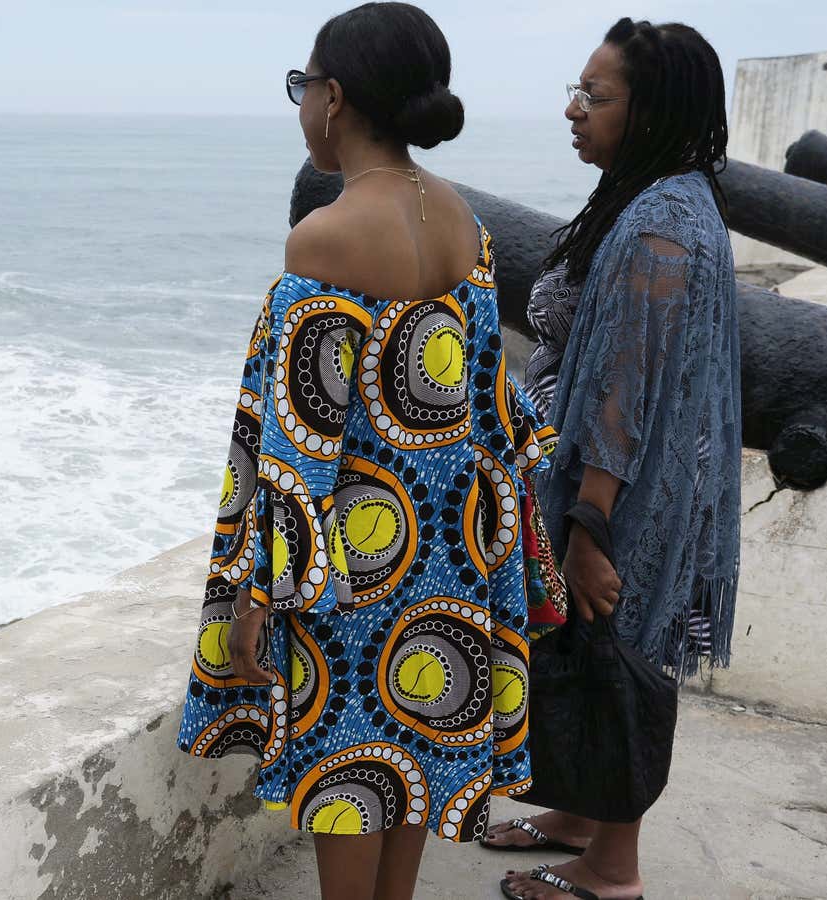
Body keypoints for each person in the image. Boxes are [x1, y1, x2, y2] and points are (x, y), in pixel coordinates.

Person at [173, 5, 556, 899]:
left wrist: (263, 596)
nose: (301, 103)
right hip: (453, 548)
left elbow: (303, 440)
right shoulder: (461, 220)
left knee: (350, 772)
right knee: (416, 752)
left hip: (354, 561)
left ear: (334, 97)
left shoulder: (326, 238)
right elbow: (495, 406)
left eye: (302, 86)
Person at [483, 17, 742, 900]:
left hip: (623, 505)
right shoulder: (663, 200)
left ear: (652, 109)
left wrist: (589, 527)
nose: (573, 109)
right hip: (624, 491)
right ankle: (574, 815)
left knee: (617, 659)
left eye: (596, 97)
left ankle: (610, 873)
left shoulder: (660, 229)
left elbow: (624, 397)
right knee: (588, 657)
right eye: (577, 89)